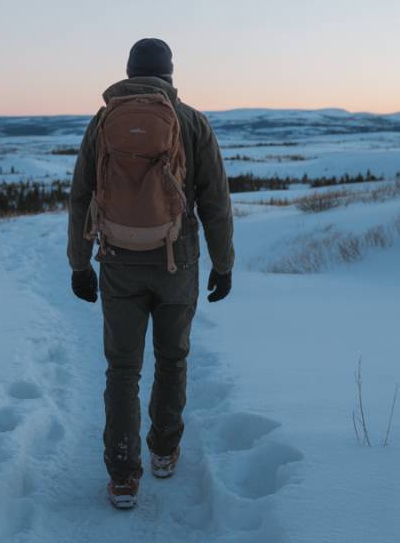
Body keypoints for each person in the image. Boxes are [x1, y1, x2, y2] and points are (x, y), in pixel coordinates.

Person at [67, 38, 235, 509]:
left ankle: (123, 476)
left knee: (122, 370)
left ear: (128, 70)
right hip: (176, 261)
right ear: (170, 74)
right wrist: (223, 265)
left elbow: (81, 196)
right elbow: (216, 201)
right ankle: (163, 450)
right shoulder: (193, 122)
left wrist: (80, 265)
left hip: (118, 262)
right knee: (172, 358)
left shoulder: (103, 122)